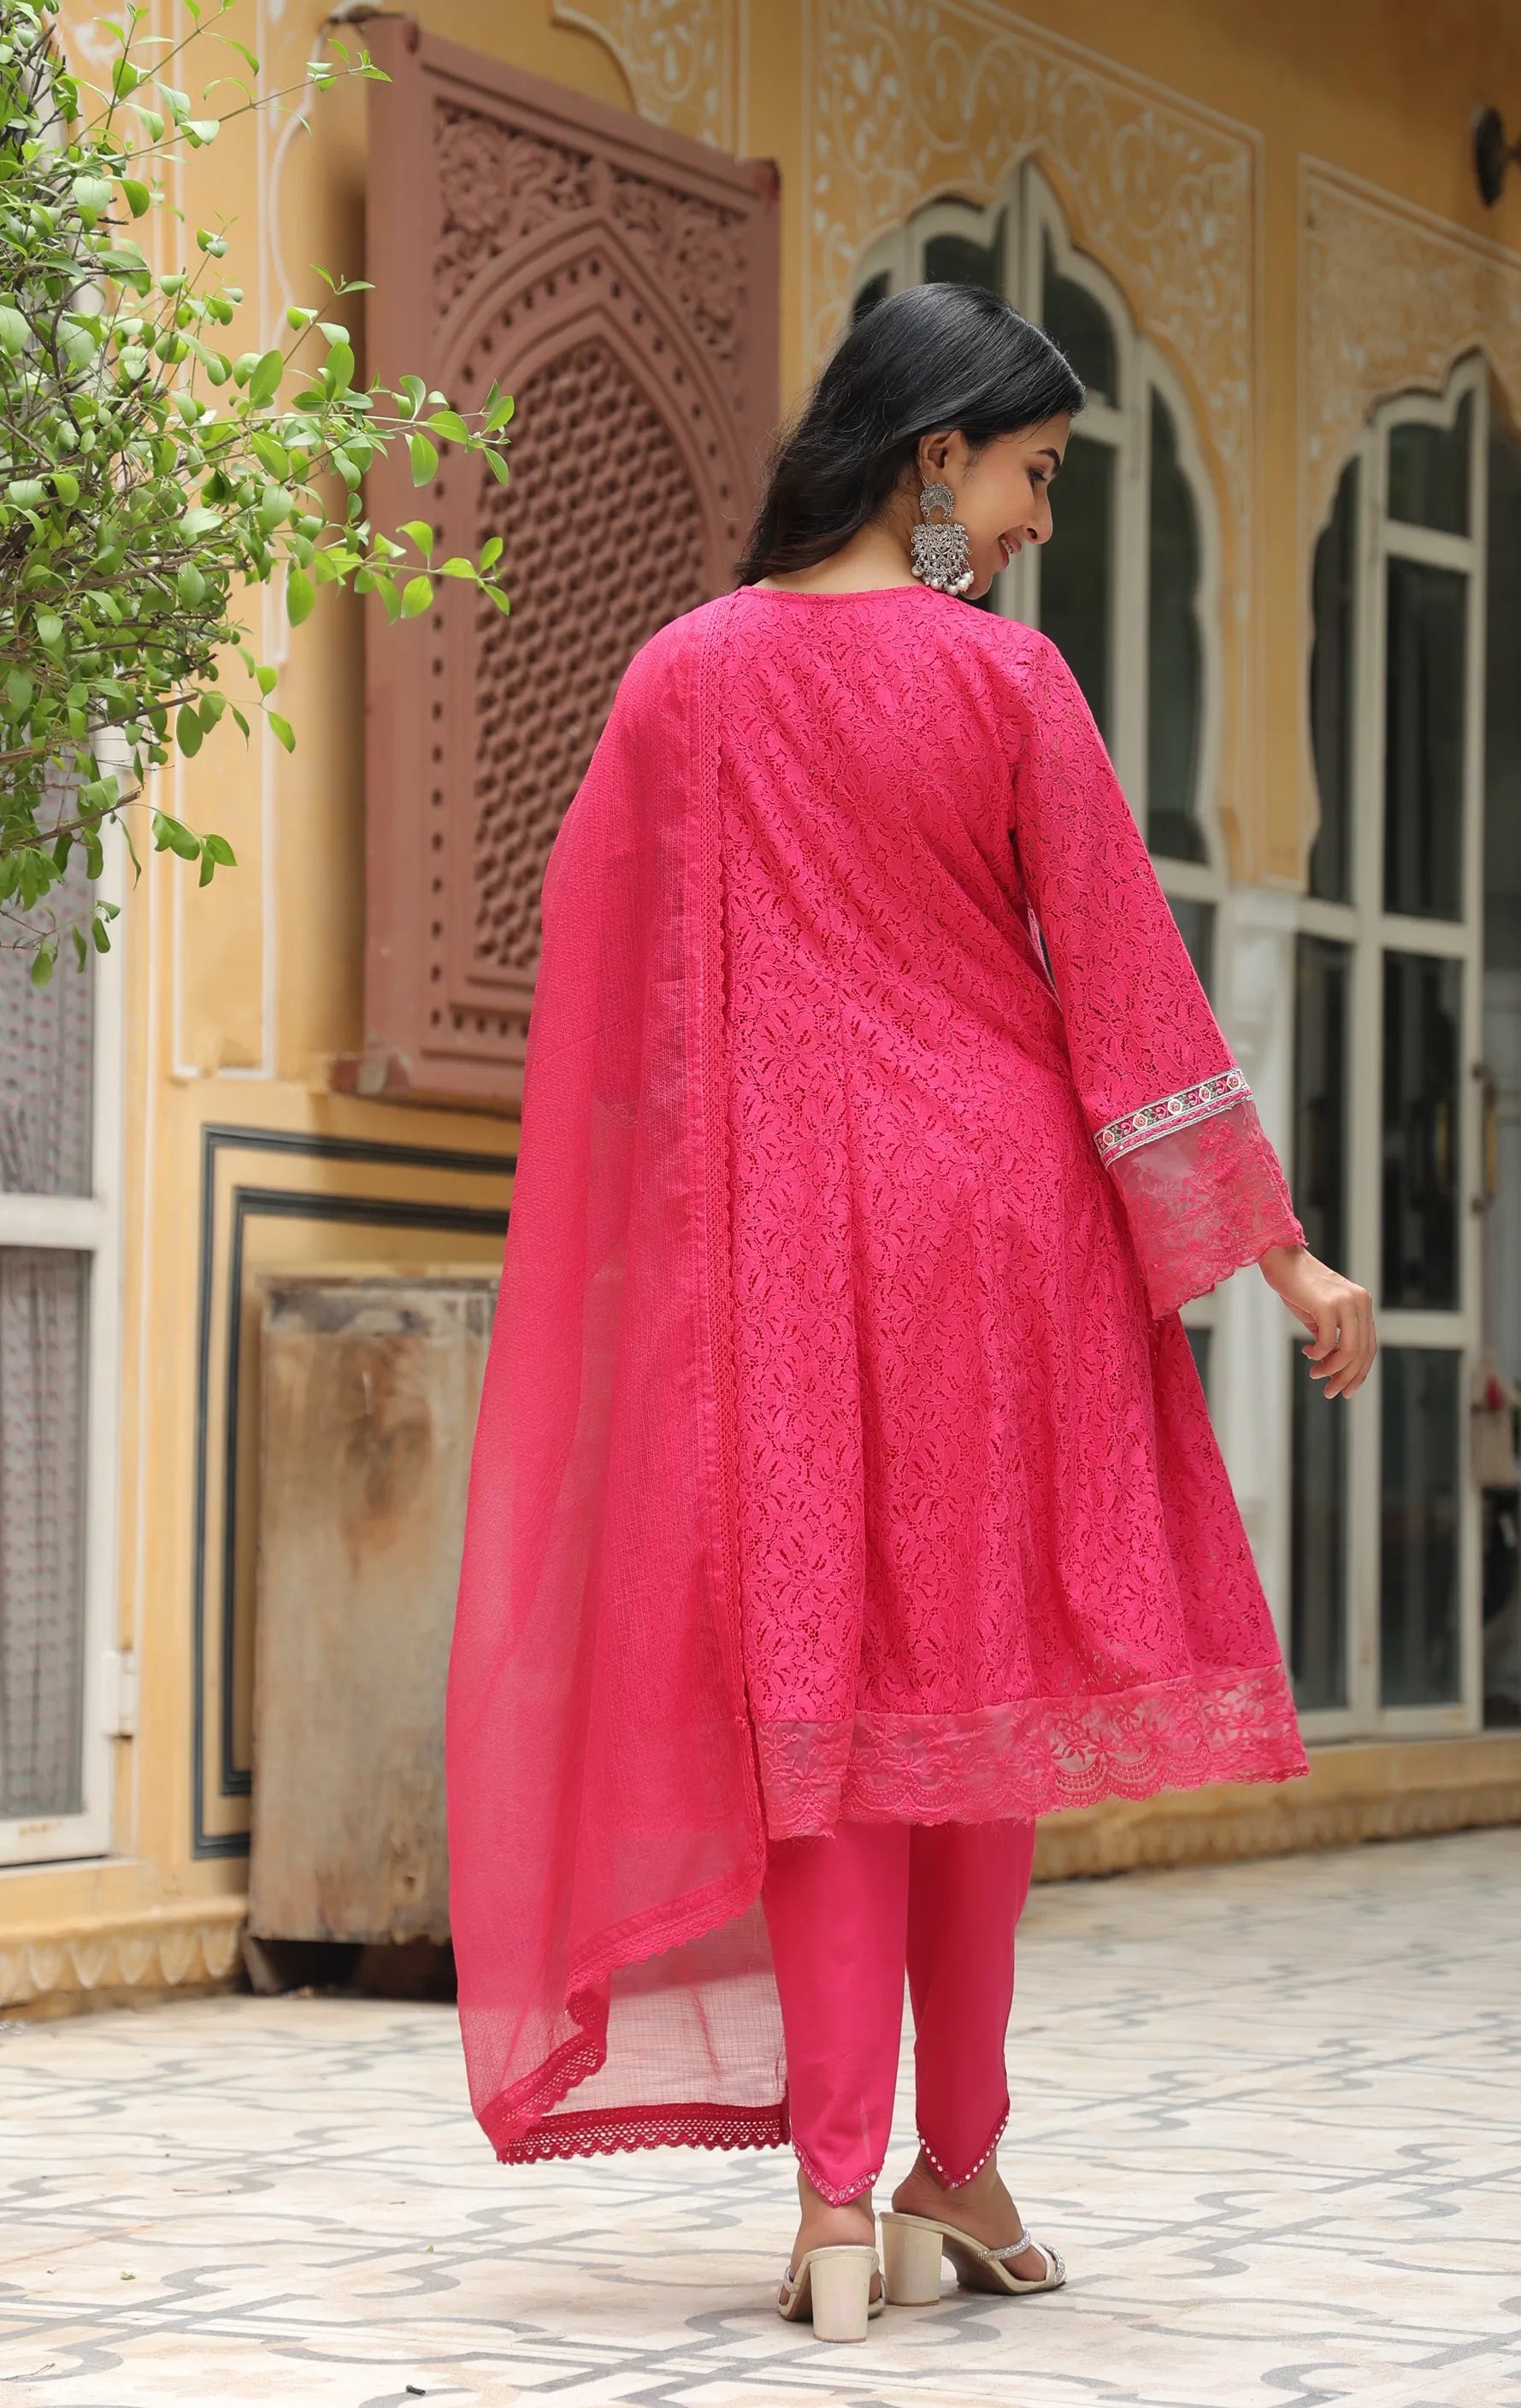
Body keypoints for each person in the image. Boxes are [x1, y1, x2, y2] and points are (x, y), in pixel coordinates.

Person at [445, 283, 1376, 2346]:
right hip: (1008, 1251)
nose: (1040, 520)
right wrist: (1281, 1251)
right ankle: (960, 2156)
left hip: (790, 1261)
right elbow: (1127, 995)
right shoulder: (1003, 685)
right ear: (932, 455)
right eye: (1033, 474)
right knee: (977, 1721)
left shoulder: (678, 682)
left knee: (831, 1736)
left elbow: (625, 1011)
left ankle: (836, 2214)